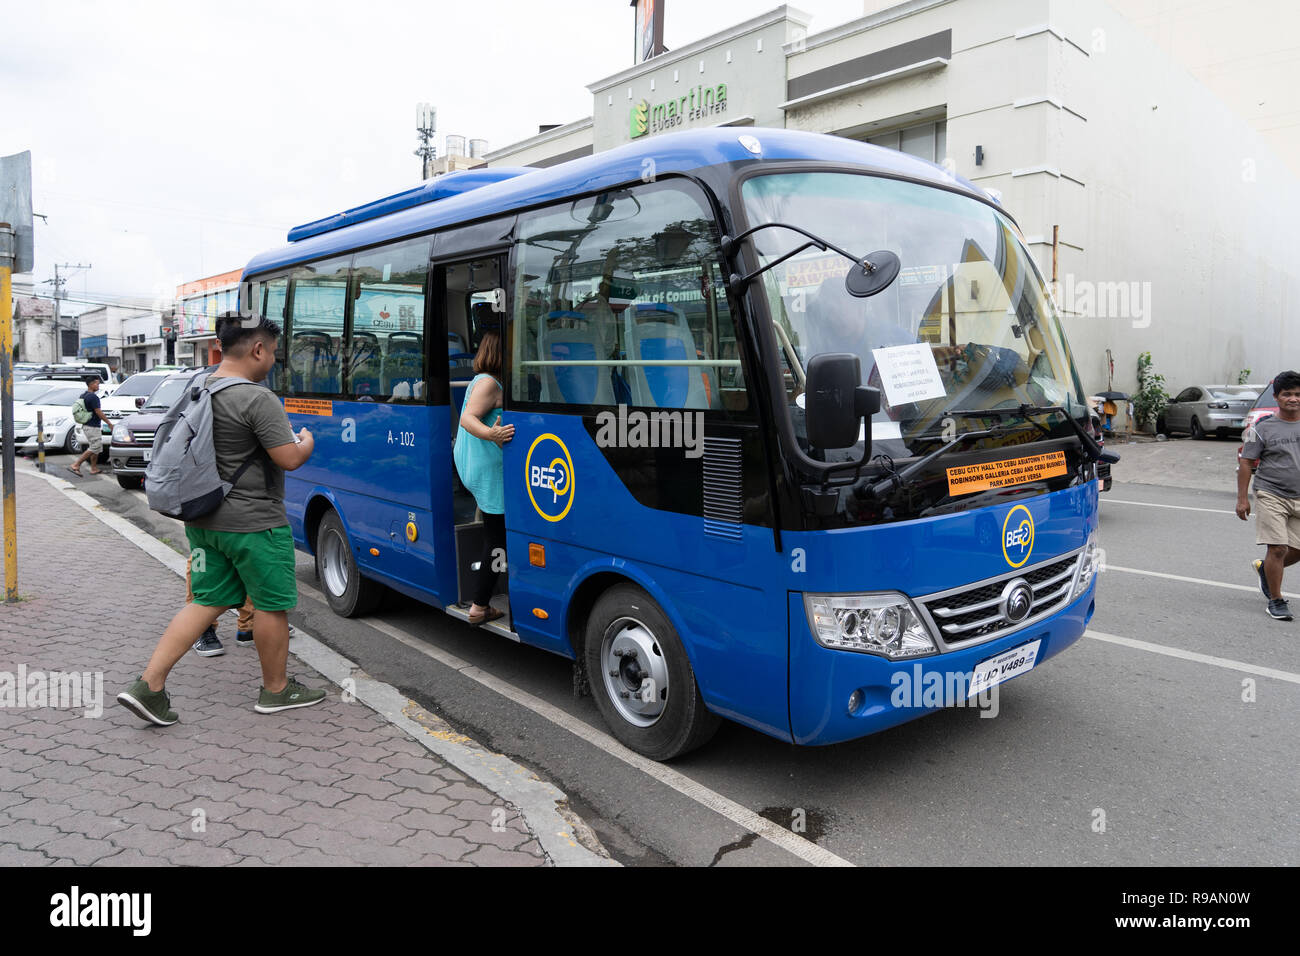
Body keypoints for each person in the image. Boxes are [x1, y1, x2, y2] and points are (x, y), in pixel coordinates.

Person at [116, 314, 323, 725]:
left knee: (206, 600)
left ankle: (149, 685)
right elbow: (289, 458)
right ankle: (277, 690)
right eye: (274, 352)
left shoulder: (199, 385)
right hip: (254, 525)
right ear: (258, 349)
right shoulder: (257, 397)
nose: (273, 360)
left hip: (204, 522)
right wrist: (306, 442)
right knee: (270, 605)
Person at [453, 330, 513, 625]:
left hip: (483, 464)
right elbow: (467, 419)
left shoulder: (486, 380)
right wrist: (493, 434)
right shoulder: (489, 382)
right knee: (498, 538)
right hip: (488, 467)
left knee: (497, 533)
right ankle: (479, 606)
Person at [1236, 370, 1300, 621]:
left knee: (1294, 550)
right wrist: (1242, 498)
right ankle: (1276, 599)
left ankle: (1266, 571)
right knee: (1278, 548)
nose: (1293, 399)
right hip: (1271, 493)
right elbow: (1246, 462)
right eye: (1287, 395)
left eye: (1297, 394)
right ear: (1277, 397)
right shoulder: (1261, 428)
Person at [67, 375, 112, 476]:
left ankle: (94, 468)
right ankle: (76, 464)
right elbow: (98, 412)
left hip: (87, 425)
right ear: (91, 384)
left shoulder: (84, 395)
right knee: (95, 447)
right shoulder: (93, 397)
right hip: (92, 426)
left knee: (94, 447)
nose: (98, 385)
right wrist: (109, 423)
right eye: (97, 383)